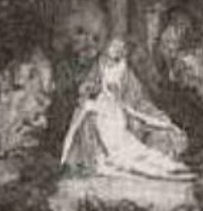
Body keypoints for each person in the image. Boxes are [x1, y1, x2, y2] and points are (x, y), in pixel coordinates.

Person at [59, 39, 193, 180]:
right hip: (117, 156)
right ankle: (174, 177)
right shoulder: (92, 104)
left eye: (118, 64)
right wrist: (63, 159)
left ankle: (179, 173)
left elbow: (142, 116)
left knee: (163, 162)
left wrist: (169, 126)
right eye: (110, 64)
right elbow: (72, 130)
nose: (114, 84)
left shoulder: (120, 103)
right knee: (151, 170)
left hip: (131, 146)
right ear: (102, 72)